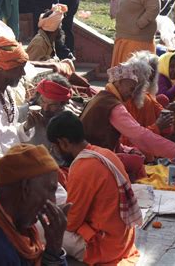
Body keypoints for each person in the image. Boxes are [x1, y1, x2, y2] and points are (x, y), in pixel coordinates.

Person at [47, 111, 141, 264]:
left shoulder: (83, 167)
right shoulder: (105, 153)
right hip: (123, 240)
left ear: (63, 142)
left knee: (39, 227)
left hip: (104, 247)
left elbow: (71, 223)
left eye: (54, 147)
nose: (55, 152)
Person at [80, 62, 175, 181]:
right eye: (131, 89)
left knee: (135, 155)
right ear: (118, 83)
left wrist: (128, 150)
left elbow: (112, 136)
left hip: (92, 154)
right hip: (94, 158)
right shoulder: (113, 105)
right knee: (136, 161)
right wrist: (172, 150)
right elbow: (138, 135)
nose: (133, 94)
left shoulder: (103, 97)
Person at [110, 0, 161, 67]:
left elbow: (154, 9)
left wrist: (139, 25)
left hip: (137, 40)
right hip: (125, 37)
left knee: (132, 77)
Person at [27, 74, 72, 149]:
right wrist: (25, 127)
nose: (45, 108)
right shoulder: (23, 112)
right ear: (38, 97)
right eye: (43, 101)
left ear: (62, 104)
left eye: (52, 105)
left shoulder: (67, 120)